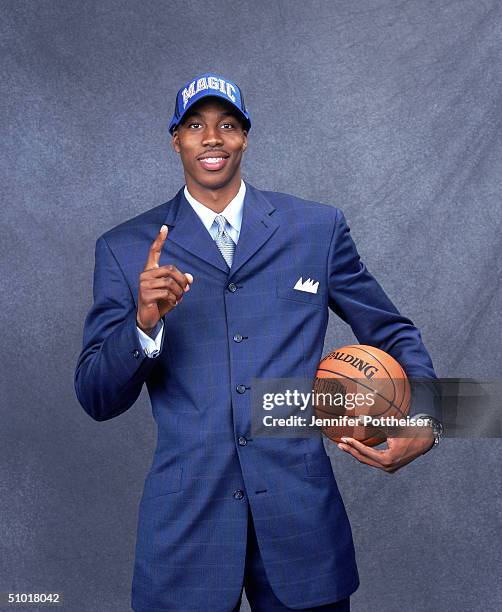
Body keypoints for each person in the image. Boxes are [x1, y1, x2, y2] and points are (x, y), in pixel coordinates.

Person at [75, 73, 442, 612]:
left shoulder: (315, 228)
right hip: (187, 533)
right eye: (195, 126)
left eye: (227, 125)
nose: (212, 138)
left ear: (245, 136)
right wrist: (143, 322)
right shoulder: (126, 248)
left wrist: (427, 420)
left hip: (302, 525)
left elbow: (391, 331)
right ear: (175, 139)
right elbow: (95, 397)